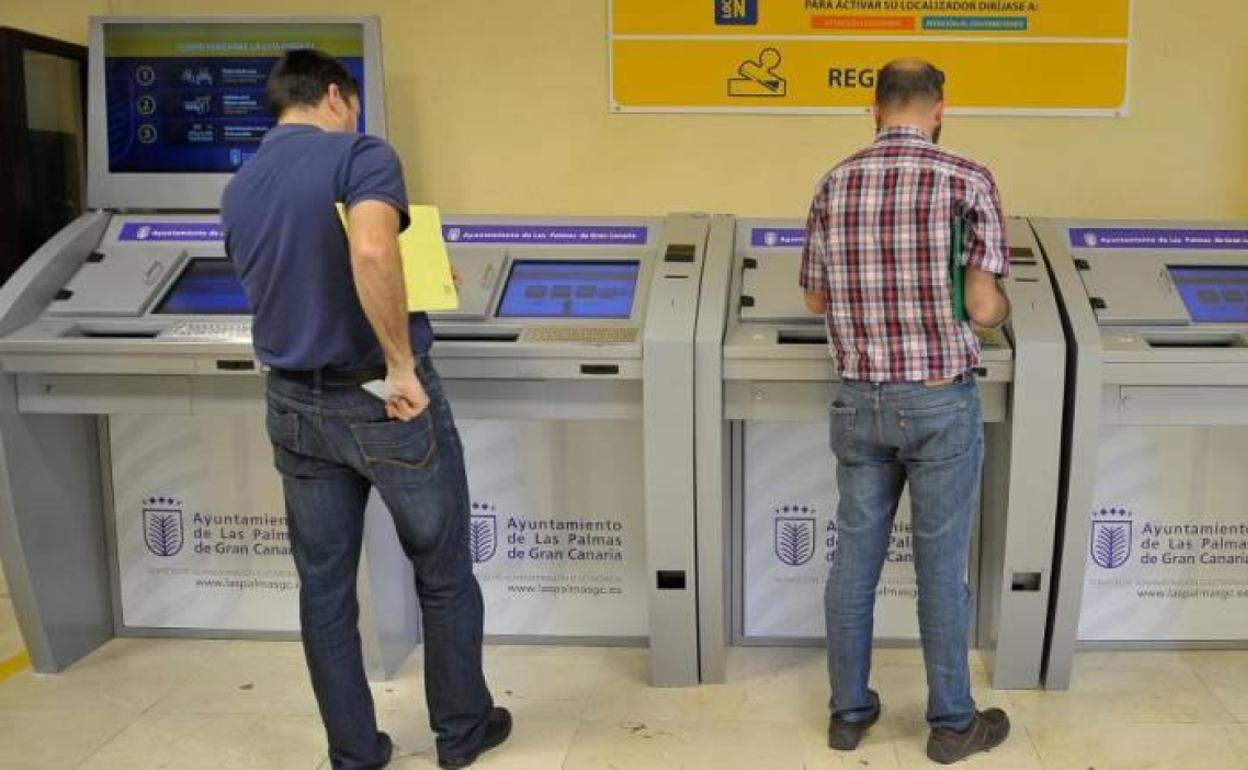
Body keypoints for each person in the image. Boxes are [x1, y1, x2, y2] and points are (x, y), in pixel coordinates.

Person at [221, 49, 510, 770]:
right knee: (441, 570)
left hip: (291, 400)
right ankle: (461, 730)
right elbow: (374, 253)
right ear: (333, 96)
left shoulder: (242, 184)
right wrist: (401, 364)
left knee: (323, 587)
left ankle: (354, 751)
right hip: (382, 399)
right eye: (351, 105)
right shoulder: (362, 155)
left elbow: (294, 273)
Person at [799, 58, 1012, 765]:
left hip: (861, 401)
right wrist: (1000, 305)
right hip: (938, 403)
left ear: (874, 108)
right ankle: (953, 723)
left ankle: (848, 712)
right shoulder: (967, 179)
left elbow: (816, 300)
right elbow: (983, 307)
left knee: (854, 561)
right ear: (941, 107)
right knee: (940, 566)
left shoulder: (835, 183)